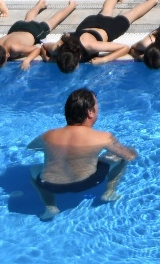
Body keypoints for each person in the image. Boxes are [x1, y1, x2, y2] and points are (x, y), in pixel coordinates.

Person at [30, 88, 136, 219]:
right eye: (97, 105)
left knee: (33, 170)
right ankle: (110, 191)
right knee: (120, 157)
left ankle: (50, 206)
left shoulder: (48, 135)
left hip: (50, 185)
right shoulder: (103, 137)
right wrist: (132, 150)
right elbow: (129, 156)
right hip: (87, 182)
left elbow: (32, 147)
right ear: (90, 112)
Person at [53, 0, 160, 66]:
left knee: (131, 15)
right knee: (106, 10)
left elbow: (125, 48)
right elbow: (44, 47)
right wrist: (48, 58)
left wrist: (105, 59)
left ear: (78, 59)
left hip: (108, 27)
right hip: (87, 23)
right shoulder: (58, 47)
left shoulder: (91, 46)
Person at [0, 0, 78, 70]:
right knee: (29, 19)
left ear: (7, 55)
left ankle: (71, 6)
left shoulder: (14, 48)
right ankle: (40, 4)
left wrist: (27, 60)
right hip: (16, 27)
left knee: (53, 21)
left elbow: (36, 49)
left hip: (34, 31)